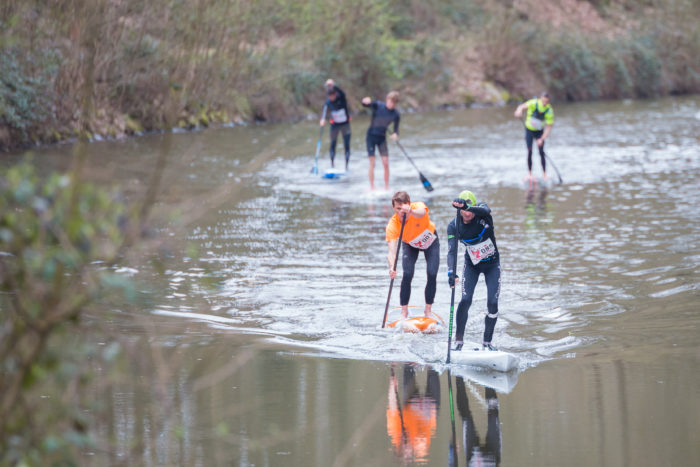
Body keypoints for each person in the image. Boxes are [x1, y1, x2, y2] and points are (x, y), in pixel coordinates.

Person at [446, 190, 501, 351]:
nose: (467, 212)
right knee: (465, 299)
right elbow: (452, 251)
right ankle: (459, 341)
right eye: (463, 209)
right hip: (472, 266)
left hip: (492, 265)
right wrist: (451, 272)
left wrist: (468, 206)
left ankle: (487, 342)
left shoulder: (483, 214)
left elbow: (485, 210)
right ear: (458, 210)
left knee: (492, 302)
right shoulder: (454, 225)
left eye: (470, 208)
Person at [386, 191, 439, 319]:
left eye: (403, 208)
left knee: (432, 273)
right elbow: (392, 250)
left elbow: (422, 212)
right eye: (398, 209)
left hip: (430, 241)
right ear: (393, 208)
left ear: (409, 205)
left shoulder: (417, 207)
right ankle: (404, 312)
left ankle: (428, 311)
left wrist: (410, 211)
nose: (401, 212)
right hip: (410, 244)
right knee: (407, 274)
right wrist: (392, 266)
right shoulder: (392, 225)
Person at [386, 364, 440, 463]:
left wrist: (392, 379)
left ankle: (410, 361)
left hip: (411, 403)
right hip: (429, 409)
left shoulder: (394, 430)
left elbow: (393, 404)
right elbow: (423, 443)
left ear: (399, 446)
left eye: (403, 446)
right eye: (408, 451)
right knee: (433, 368)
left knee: (408, 366)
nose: (406, 445)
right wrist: (418, 440)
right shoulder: (420, 449)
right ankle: (431, 366)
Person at [455, 376, 501, 466]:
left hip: (473, 458)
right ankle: (488, 375)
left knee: (466, 418)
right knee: (493, 412)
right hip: (492, 457)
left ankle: (458, 377)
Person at [361, 91, 400, 190]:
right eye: (391, 102)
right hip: (371, 136)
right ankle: (372, 187)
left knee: (386, 162)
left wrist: (395, 135)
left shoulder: (396, 114)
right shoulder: (378, 105)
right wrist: (365, 101)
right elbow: (367, 104)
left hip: (382, 138)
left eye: (394, 103)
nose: (392, 104)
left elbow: (396, 130)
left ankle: (386, 187)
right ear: (387, 99)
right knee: (372, 162)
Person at [514, 92, 554, 181]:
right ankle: (530, 174)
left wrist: (542, 139)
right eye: (543, 101)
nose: (544, 103)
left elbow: (549, 127)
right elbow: (521, 107)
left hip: (539, 132)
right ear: (541, 98)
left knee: (541, 152)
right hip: (529, 130)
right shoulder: (533, 103)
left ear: (548, 101)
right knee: (529, 151)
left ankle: (544, 175)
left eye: (546, 102)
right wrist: (519, 111)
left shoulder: (549, 110)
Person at [319, 79, 351, 170]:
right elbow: (324, 111)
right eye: (329, 96)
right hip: (335, 125)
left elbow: (341, 92)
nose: (331, 98)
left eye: (332, 96)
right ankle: (332, 165)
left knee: (346, 145)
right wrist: (322, 119)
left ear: (335, 94)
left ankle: (346, 166)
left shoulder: (341, 97)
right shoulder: (328, 101)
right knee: (333, 144)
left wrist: (333, 85)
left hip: (345, 125)